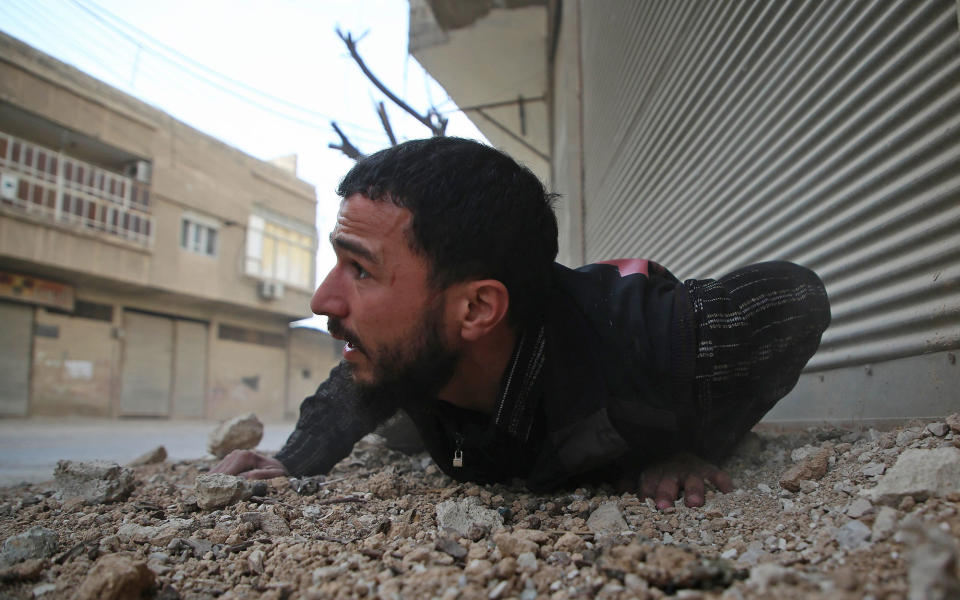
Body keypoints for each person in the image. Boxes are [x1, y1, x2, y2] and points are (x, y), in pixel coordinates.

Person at [213, 137, 830, 510]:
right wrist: (296, 460)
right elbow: (354, 381)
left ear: (476, 308)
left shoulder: (643, 343)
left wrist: (693, 438)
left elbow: (791, 298)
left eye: (361, 270)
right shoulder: (409, 352)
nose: (323, 298)